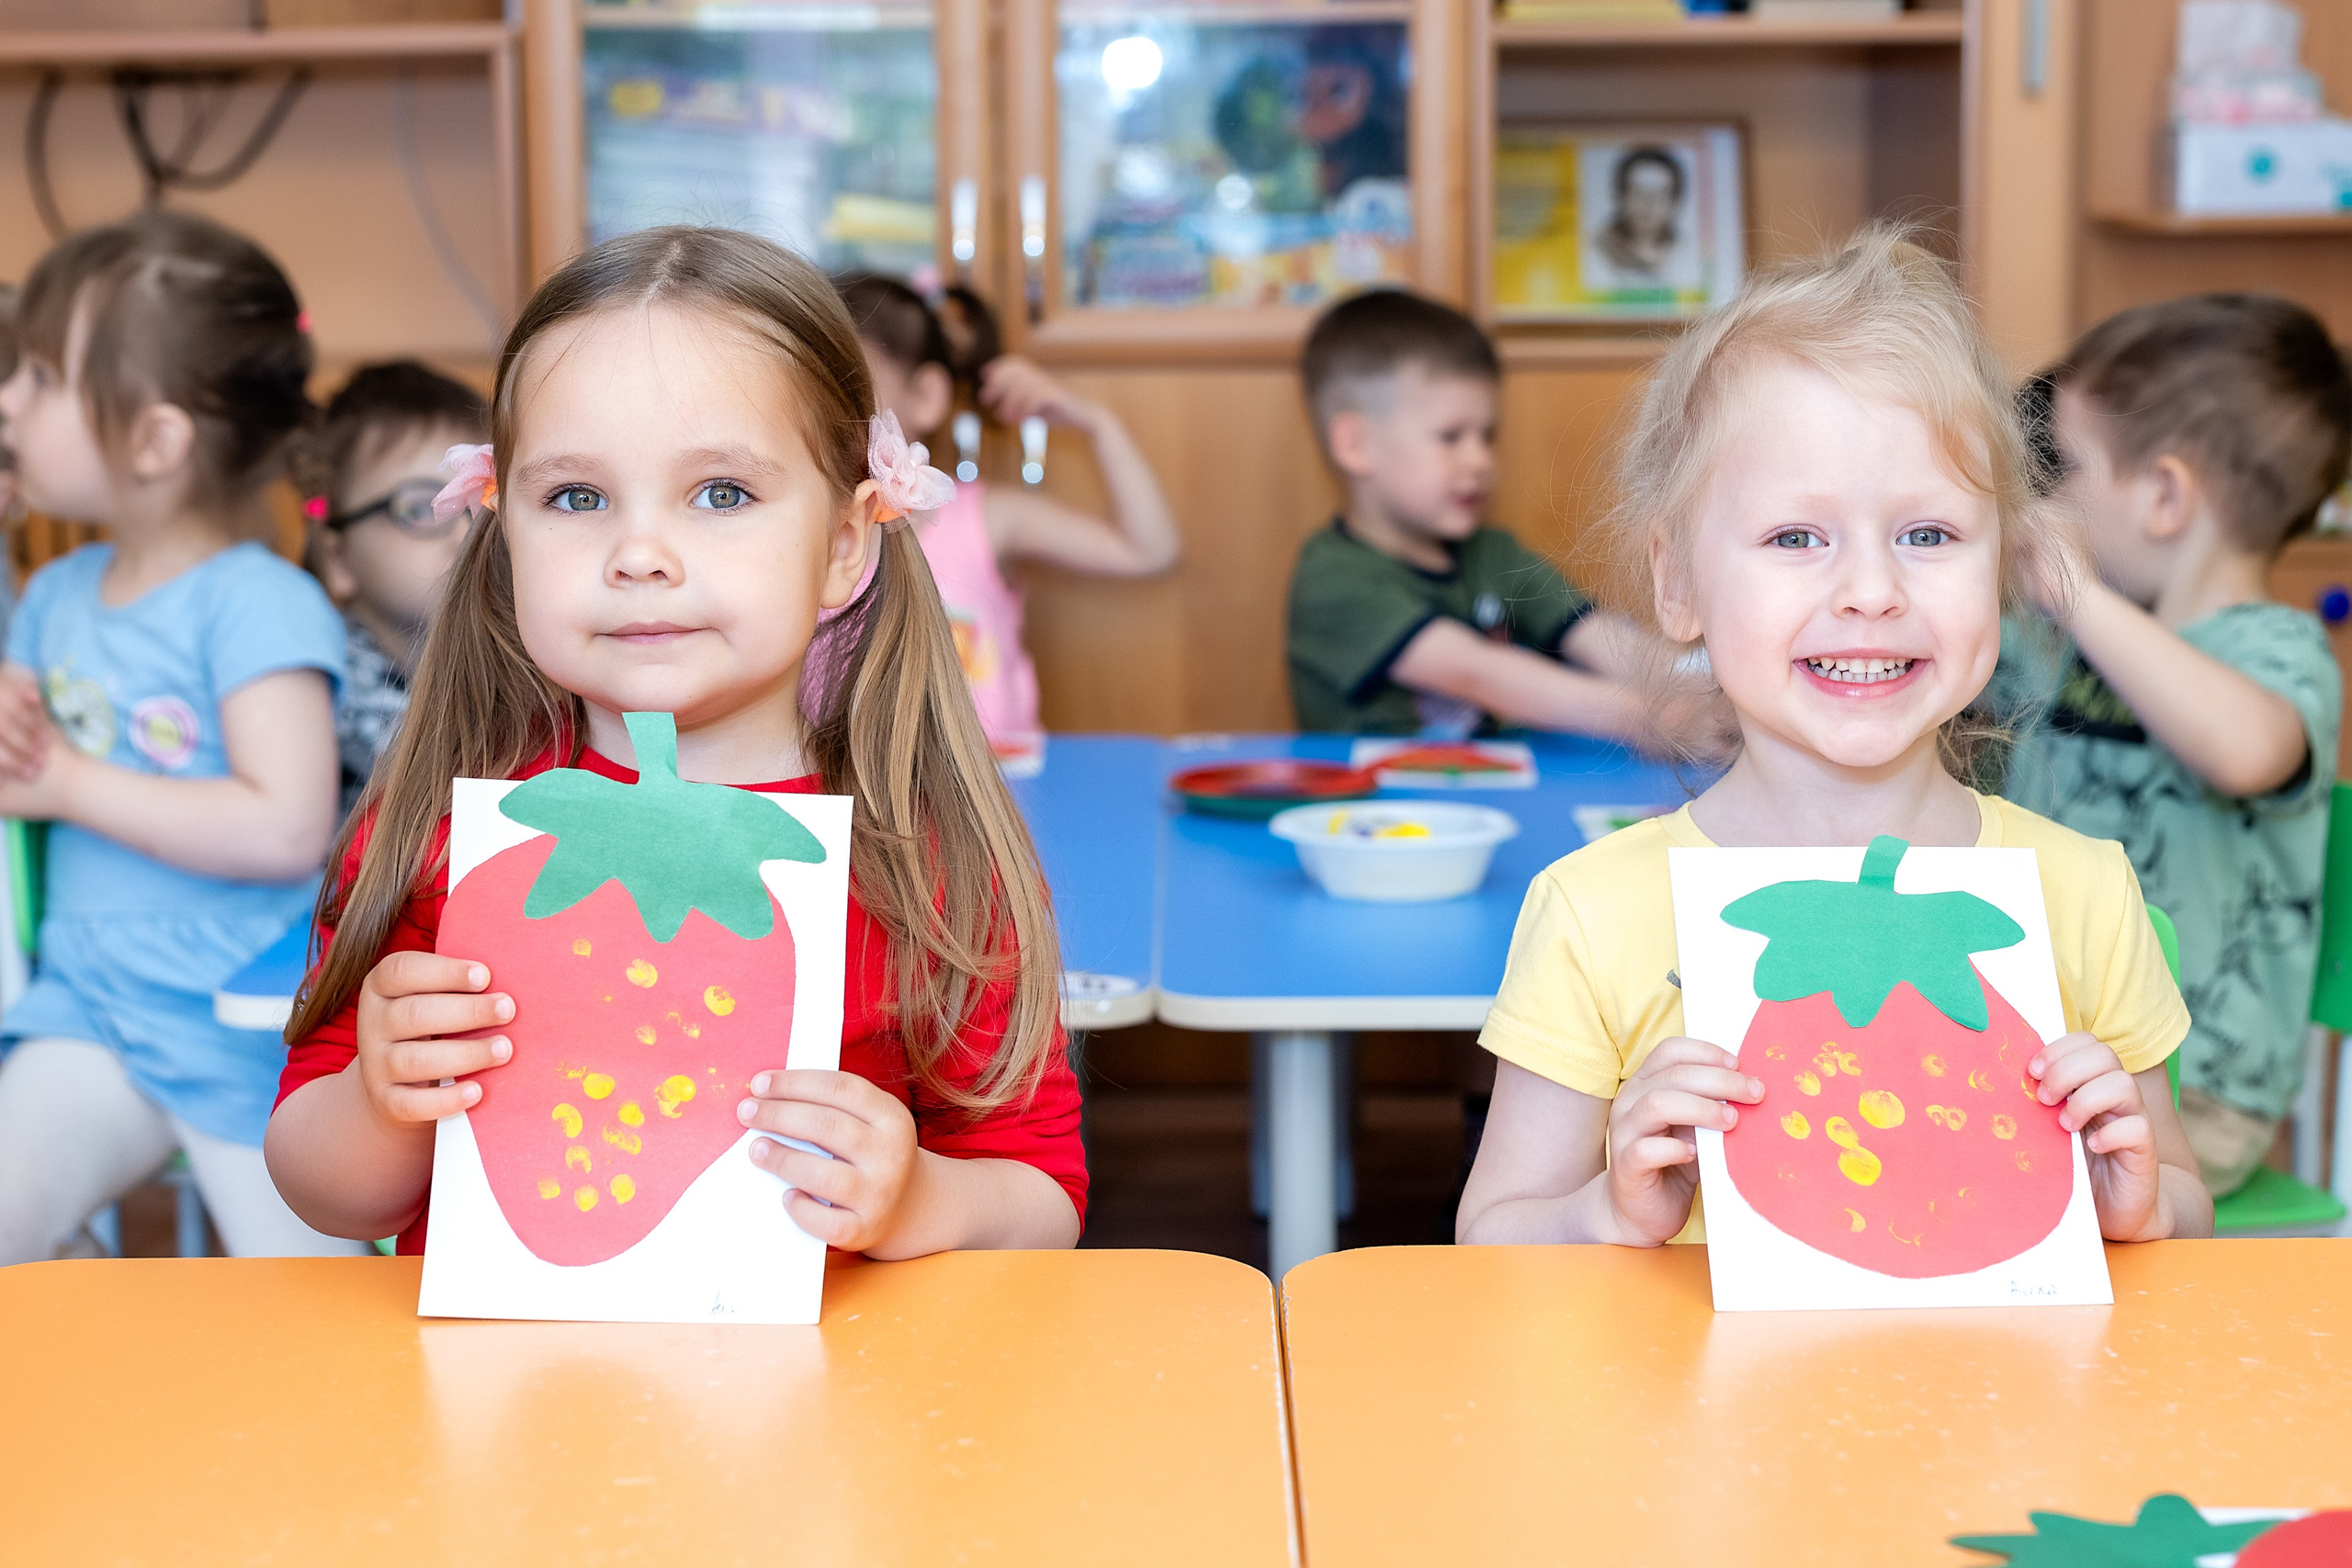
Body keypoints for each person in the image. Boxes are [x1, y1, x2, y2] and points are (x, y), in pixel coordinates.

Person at [265, 227, 1086, 1258]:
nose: (640, 553)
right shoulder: (438, 830)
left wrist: (921, 1200)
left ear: (843, 546)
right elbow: (326, 1193)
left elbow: (1042, 1197)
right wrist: (378, 1103)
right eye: (576, 497)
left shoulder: (927, 852)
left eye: (721, 493)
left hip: (836, 1366)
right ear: (505, 532)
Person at [1457, 228, 2212, 1249]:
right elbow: (1491, 1237)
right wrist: (1604, 1211)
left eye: (1928, 534)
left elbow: (2184, 1205)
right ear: (1677, 584)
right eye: (1796, 537)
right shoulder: (1593, 914)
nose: (1869, 590)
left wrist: (2139, 1202)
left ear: (2003, 567)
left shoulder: (2085, 893)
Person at [0, 211, 365, 1262]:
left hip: (244, 1022)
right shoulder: (53, 593)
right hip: (87, 1009)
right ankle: (89, 1306)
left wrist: (69, 784)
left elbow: (286, 828)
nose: (8, 400)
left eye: (39, 376)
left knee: (310, 1313)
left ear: (156, 441)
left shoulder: (255, 601)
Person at [1997, 295, 2350, 1199]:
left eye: (2067, 468)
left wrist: (2074, 593)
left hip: (2196, 1101)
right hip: (2046, 1058)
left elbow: (2245, 750)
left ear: (2163, 496)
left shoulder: (2276, 651)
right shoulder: (2065, 640)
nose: (2049, 499)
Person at [1285, 287, 1676, 745]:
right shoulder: (1332, 580)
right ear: (1357, 445)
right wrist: (1649, 718)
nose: (1481, 461)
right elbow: (1477, 674)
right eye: (1451, 436)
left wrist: (1693, 688)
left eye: (1487, 436)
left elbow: (1601, 639)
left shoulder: (1494, 553)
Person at [835, 274, 1180, 752]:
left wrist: (1096, 424)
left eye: (849, 387)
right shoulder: (806, 528)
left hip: (999, 786)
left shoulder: (985, 520)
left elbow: (1149, 550)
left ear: (927, 397)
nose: (826, 411)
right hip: (855, 792)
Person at [305, 361, 489, 818]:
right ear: (338, 559)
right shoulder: (320, 693)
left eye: (484, 501)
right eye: (421, 508)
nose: (465, 535)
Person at [1595, 147, 1684, 282]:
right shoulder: (1597, 250)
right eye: (1638, 193)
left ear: (1674, 202)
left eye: (1658, 195)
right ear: (1621, 196)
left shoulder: (1684, 250)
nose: (1648, 205)